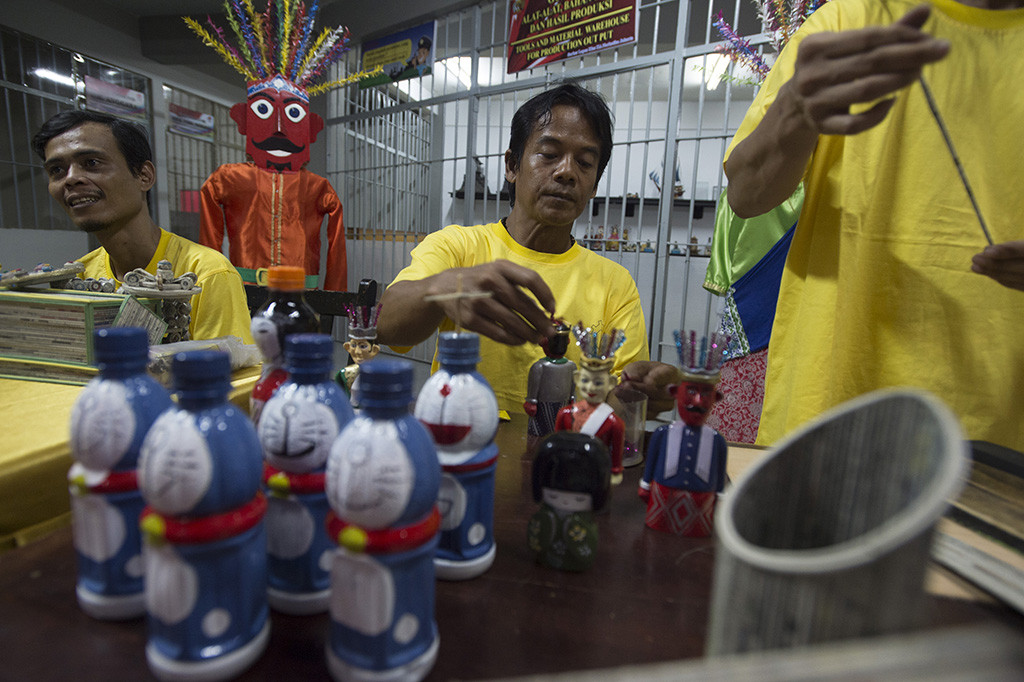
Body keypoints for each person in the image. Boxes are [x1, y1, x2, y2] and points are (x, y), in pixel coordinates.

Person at [724, 0, 1024, 451]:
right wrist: (796, 110)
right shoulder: (850, 21)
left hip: (999, 437)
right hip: (830, 414)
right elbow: (746, 194)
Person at [376, 82, 675, 415]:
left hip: (561, 457)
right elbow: (386, 326)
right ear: (512, 165)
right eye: (549, 155)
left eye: (585, 163)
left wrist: (644, 395)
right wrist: (442, 289)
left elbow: (615, 402)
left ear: (594, 185)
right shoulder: (458, 247)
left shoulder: (614, 285)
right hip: (461, 448)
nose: (566, 172)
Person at [33, 110, 253, 343]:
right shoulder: (80, 277)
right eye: (56, 170)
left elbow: (230, 374)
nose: (71, 179)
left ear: (144, 176)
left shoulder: (206, 274)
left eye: (92, 163)